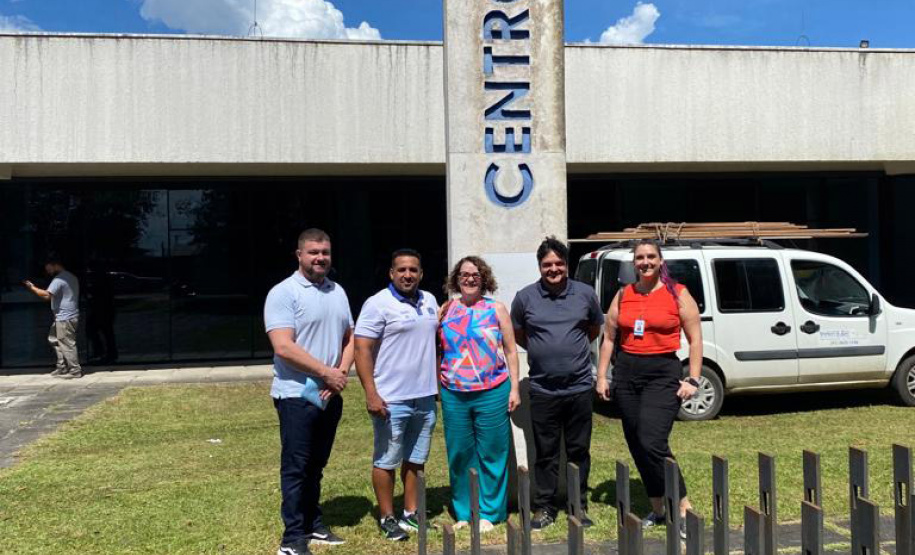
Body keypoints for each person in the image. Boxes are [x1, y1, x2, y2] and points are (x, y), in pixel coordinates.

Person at [595, 239, 702, 539]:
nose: (645, 262)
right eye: (640, 257)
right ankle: (658, 509)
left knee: (652, 440)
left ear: (660, 260)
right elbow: (609, 339)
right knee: (636, 442)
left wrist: (693, 378)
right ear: (634, 262)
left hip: (662, 373)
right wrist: (602, 376)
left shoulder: (678, 294)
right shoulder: (623, 294)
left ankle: (682, 508)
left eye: (651, 257)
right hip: (627, 373)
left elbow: (695, 340)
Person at [264, 228, 354, 555]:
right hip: (295, 396)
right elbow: (283, 347)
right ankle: (292, 538)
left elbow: (350, 337)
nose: (320, 258)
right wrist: (325, 373)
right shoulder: (283, 293)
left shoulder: (337, 291)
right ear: (299, 255)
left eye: (325, 252)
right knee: (296, 466)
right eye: (313, 252)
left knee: (317, 465)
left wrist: (341, 373)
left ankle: (313, 523)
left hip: (330, 394)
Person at [510, 237, 604, 529]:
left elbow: (593, 328)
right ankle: (546, 507)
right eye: (547, 264)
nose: (553, 269)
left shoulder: (585, 294)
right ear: (540, 266)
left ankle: (578, 506)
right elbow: (519, 334)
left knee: (578, 450)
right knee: (546, 452)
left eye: (558, 263)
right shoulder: (525, 297)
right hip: (542, 390)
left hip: (578, 389)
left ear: (566, 264)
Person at [354, 249, 440, 541]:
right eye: (401, 270)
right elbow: (362, 349)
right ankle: (387, 516)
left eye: (413, 270)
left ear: (421, 274)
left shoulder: (430, 301)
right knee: (386, 459)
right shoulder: (377, 304)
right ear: (391, 273)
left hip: (425, 397)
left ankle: (411, 513)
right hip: (391, 399)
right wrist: (371, 393)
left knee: (416, 458)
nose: (407, 275)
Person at [438, 256, 521, 532]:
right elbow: (437, 350)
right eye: (464, 274)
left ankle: (490, 512)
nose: (469, 278)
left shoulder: (496, 309)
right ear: (456, 279)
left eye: (475, 274)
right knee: (460, 453)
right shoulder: (446, 309)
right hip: (454, 393)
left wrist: (515, 387)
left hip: (493, 392)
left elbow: (510, 350)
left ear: (484, 278)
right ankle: (464, 511)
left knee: (493, 453)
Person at [23, 255, 82, 379]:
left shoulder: (59, 279)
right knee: (53, 339)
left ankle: (74, 370)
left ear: (55, 265)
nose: (47, 270)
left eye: (48, 267)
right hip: (65, 316)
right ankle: (62, 366)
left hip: (65, 317)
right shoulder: (70, 276)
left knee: (67, 343)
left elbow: (45, 294)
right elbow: (48, 297)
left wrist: (32, 287)